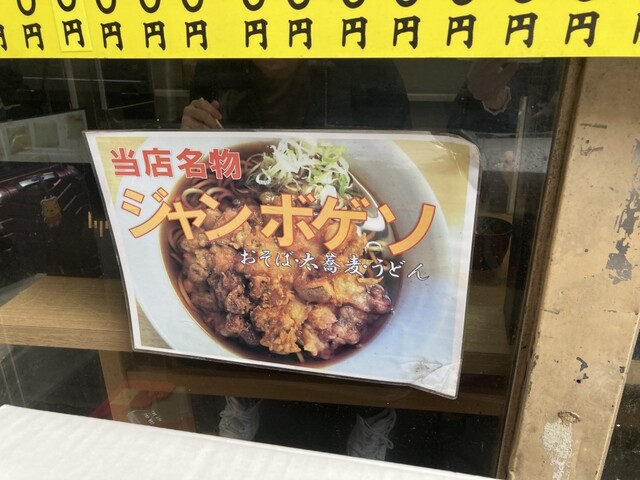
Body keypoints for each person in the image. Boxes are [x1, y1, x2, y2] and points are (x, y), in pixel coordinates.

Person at [181, 58, 411, 461]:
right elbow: (204, 155)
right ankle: (242, 397)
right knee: (234, 304)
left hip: (331, 221)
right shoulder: (218, 68)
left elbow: (406, 150)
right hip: (259, 222)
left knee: (377, 328)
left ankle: (375, 414)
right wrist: (186, 137)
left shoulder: (366, 69)